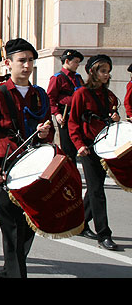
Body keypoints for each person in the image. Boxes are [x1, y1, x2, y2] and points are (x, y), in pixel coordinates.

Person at [0, 38, 53, 278]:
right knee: (11, 230)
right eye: (22, 60)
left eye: (31, 60)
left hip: (33, 167)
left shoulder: (39, 96)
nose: (27, 65)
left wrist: (45, 133)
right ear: (8, 64)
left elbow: (46, 136)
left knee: (28, 228)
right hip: (6, 166)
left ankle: (7, 271)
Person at [68, 54, 121, 251]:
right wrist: (79, 144)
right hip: (88, 148)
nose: (107, 75)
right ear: (93, 72)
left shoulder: (108, 95)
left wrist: (114, 118)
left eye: (108, 71)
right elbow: (73, 121)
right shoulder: (81, 93)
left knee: (94, 188)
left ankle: (80, 223)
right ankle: (104, 234)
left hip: (104, 147)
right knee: (98, 190)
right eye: (103, 71)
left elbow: (112, 117)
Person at [46, 49, 85, 163]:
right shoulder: (57, 78)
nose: (78, 65)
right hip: (65, 115)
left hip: (78, 114)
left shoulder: (78, 77)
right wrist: (57, 114)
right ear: (67, 61)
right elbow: (50, 98)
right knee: (68, 148)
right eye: (76, 62)